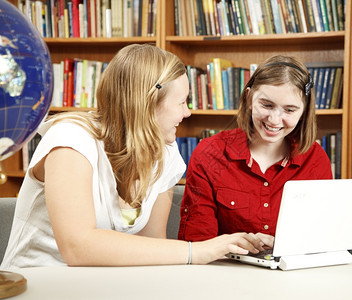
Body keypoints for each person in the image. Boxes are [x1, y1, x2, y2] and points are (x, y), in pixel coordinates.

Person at [1, 44, 271, 269]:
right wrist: (196, 251)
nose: (187, 113)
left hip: (104, 288)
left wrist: (228, 249)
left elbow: (153, 247)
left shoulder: (165, 153)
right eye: (181, 103)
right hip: (36, 285)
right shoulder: (71, 140)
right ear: (146, 104)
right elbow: (78, 247)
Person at [178, 55, 333, 242]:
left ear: (304, 112)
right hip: (225, 269)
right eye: (267, 105)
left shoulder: (315, 159)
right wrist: (235, 244)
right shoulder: (209, 154)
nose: (274, 119)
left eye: (289, 110)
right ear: (249, 98)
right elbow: (196, 243)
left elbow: (322, 236)